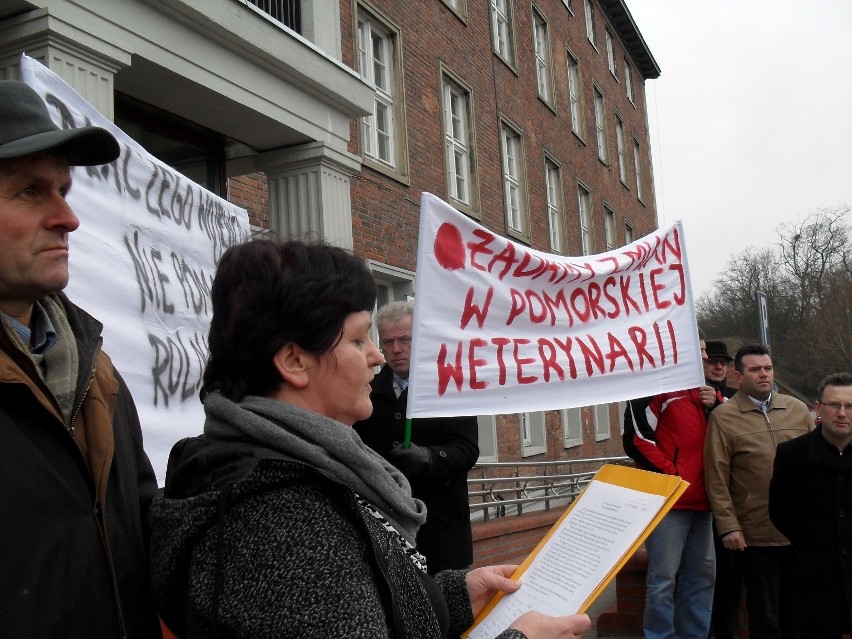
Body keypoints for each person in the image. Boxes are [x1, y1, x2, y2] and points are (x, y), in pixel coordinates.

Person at [148, 239, 590, 639]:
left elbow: (355, 606)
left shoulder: (289, 470)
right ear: (294, 362)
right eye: (360, 339)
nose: (379, 355)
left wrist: (452, 598)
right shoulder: (287, 520)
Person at [0, 80, 160, 636]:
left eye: (64, 191)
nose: (67, 217)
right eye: (30, 192)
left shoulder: (97, 372)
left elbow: (139, 528)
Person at [354, 300, 479, 575]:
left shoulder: (449, 386)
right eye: (388, 342)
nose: (396, 349)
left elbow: (467, 449)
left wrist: (429, 458)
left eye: (405, 340)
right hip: (386, 529)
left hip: (440, 532)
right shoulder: (366, 391)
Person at [704, 343, 813, 639]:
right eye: (755, 370)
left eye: (767, 368)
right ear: (738, 377)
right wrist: (728, 527)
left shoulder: (797, 410)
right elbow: (716, 477)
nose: (763, 374)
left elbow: (815, 465)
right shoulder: (723, 418)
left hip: (799, 532)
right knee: (764, 614)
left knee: (800, 609)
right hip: (755, 534)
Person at [622, 333, 719, 639]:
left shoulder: (709, 393)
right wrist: (673, 476)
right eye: (700, 349)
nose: (704, 356)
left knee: (702, 577)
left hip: (704, 501)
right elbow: (636, 438)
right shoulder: (656, 386)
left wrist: (715, 403)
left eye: (704, 350)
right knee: (663, 580)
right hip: (670, 502)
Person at [768, 372, 852, 639]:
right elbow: (780, 511)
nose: (842, 413)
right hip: (812, 576)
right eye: (834, 405)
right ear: (818, 408)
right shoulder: (791, 455)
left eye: (849, 406)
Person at [699, 341, 742, 639]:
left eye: (722, 362)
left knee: (729, 580)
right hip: (695, 501)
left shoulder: (736, 401)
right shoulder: (689, 397)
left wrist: (718, 404)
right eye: (712, 360)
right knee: (698, 578)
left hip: (730, 504)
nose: (718, 366)